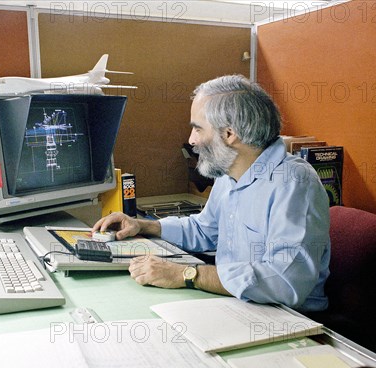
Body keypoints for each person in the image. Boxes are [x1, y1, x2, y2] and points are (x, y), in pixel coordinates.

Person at [93, 74, 330, 312]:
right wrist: (143, 226)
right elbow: (205, 229)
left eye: (197, 128)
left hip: (287, 317)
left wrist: (188, 275)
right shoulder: (231, 171)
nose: (191, 140)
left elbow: (284, 282)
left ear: (229, 134)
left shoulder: (294, 183)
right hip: (237, 304)